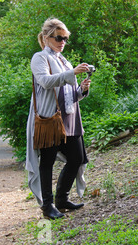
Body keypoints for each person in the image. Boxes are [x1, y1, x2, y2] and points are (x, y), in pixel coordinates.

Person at [26, 18, 92, 219]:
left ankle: (61, 199)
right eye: (58, 38)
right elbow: (45, 82)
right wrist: (71, 73)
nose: (62, 42)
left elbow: (68, 93)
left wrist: (81, 90)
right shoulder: (40, 58)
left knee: (77, 158)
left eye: (65, 38)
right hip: (50, 119)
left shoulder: (64, 60)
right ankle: (47, 207)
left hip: (69, 117)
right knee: (46, 162)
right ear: (47, 38)